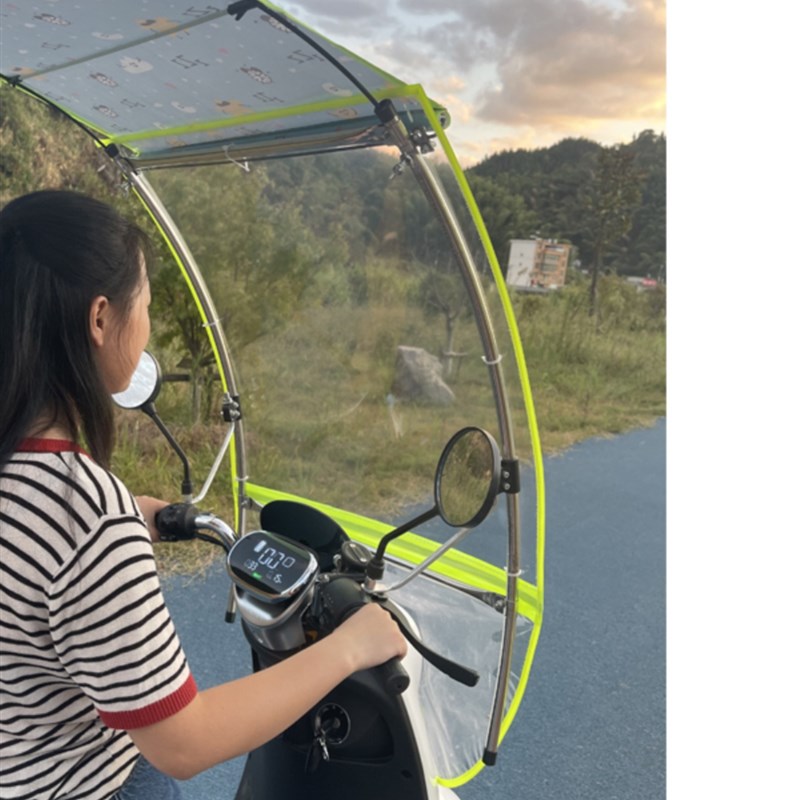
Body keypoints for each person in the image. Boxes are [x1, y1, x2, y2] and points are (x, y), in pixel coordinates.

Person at [0, 190, 407, 800]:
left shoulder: (37, 481)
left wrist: (139, 515)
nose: (148, 328)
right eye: (146, 305)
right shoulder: (84, 514)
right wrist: (349, 649)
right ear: (100, 318)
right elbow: (182, 742)